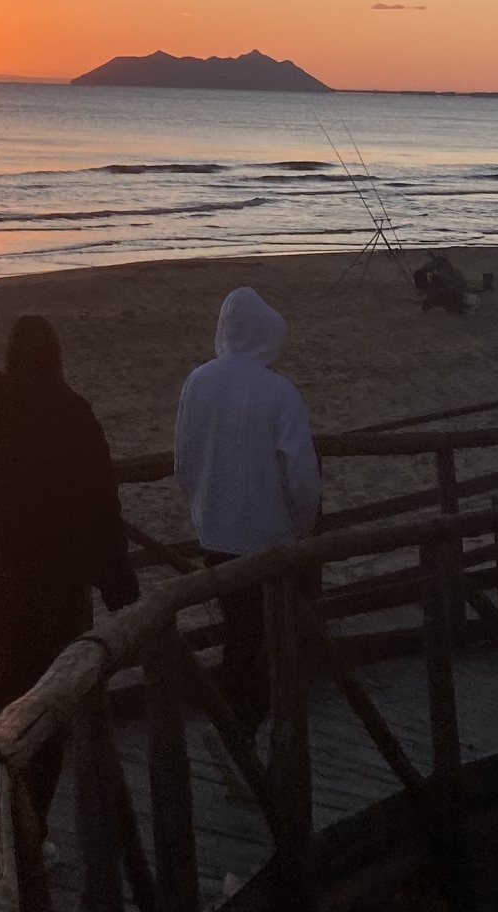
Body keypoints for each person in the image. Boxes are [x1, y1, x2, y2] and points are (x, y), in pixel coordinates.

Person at [0, 313, 139, 821]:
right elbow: (104, 506)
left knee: (15, 680)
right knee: (50, 699)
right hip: (59, 582)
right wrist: (124, 593)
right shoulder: (74, 413)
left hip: (1, 578)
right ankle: (17, 810)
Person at [173, 288, 321, 739]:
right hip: (271, 541)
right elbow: (301, 476)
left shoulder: (197, 381)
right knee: (273, 641)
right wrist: (302, 526)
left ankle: (237, 730)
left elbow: (184, 463)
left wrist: (205, 508)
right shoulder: (279, 392)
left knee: (240, 636)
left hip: (215, 538)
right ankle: (247, 731)